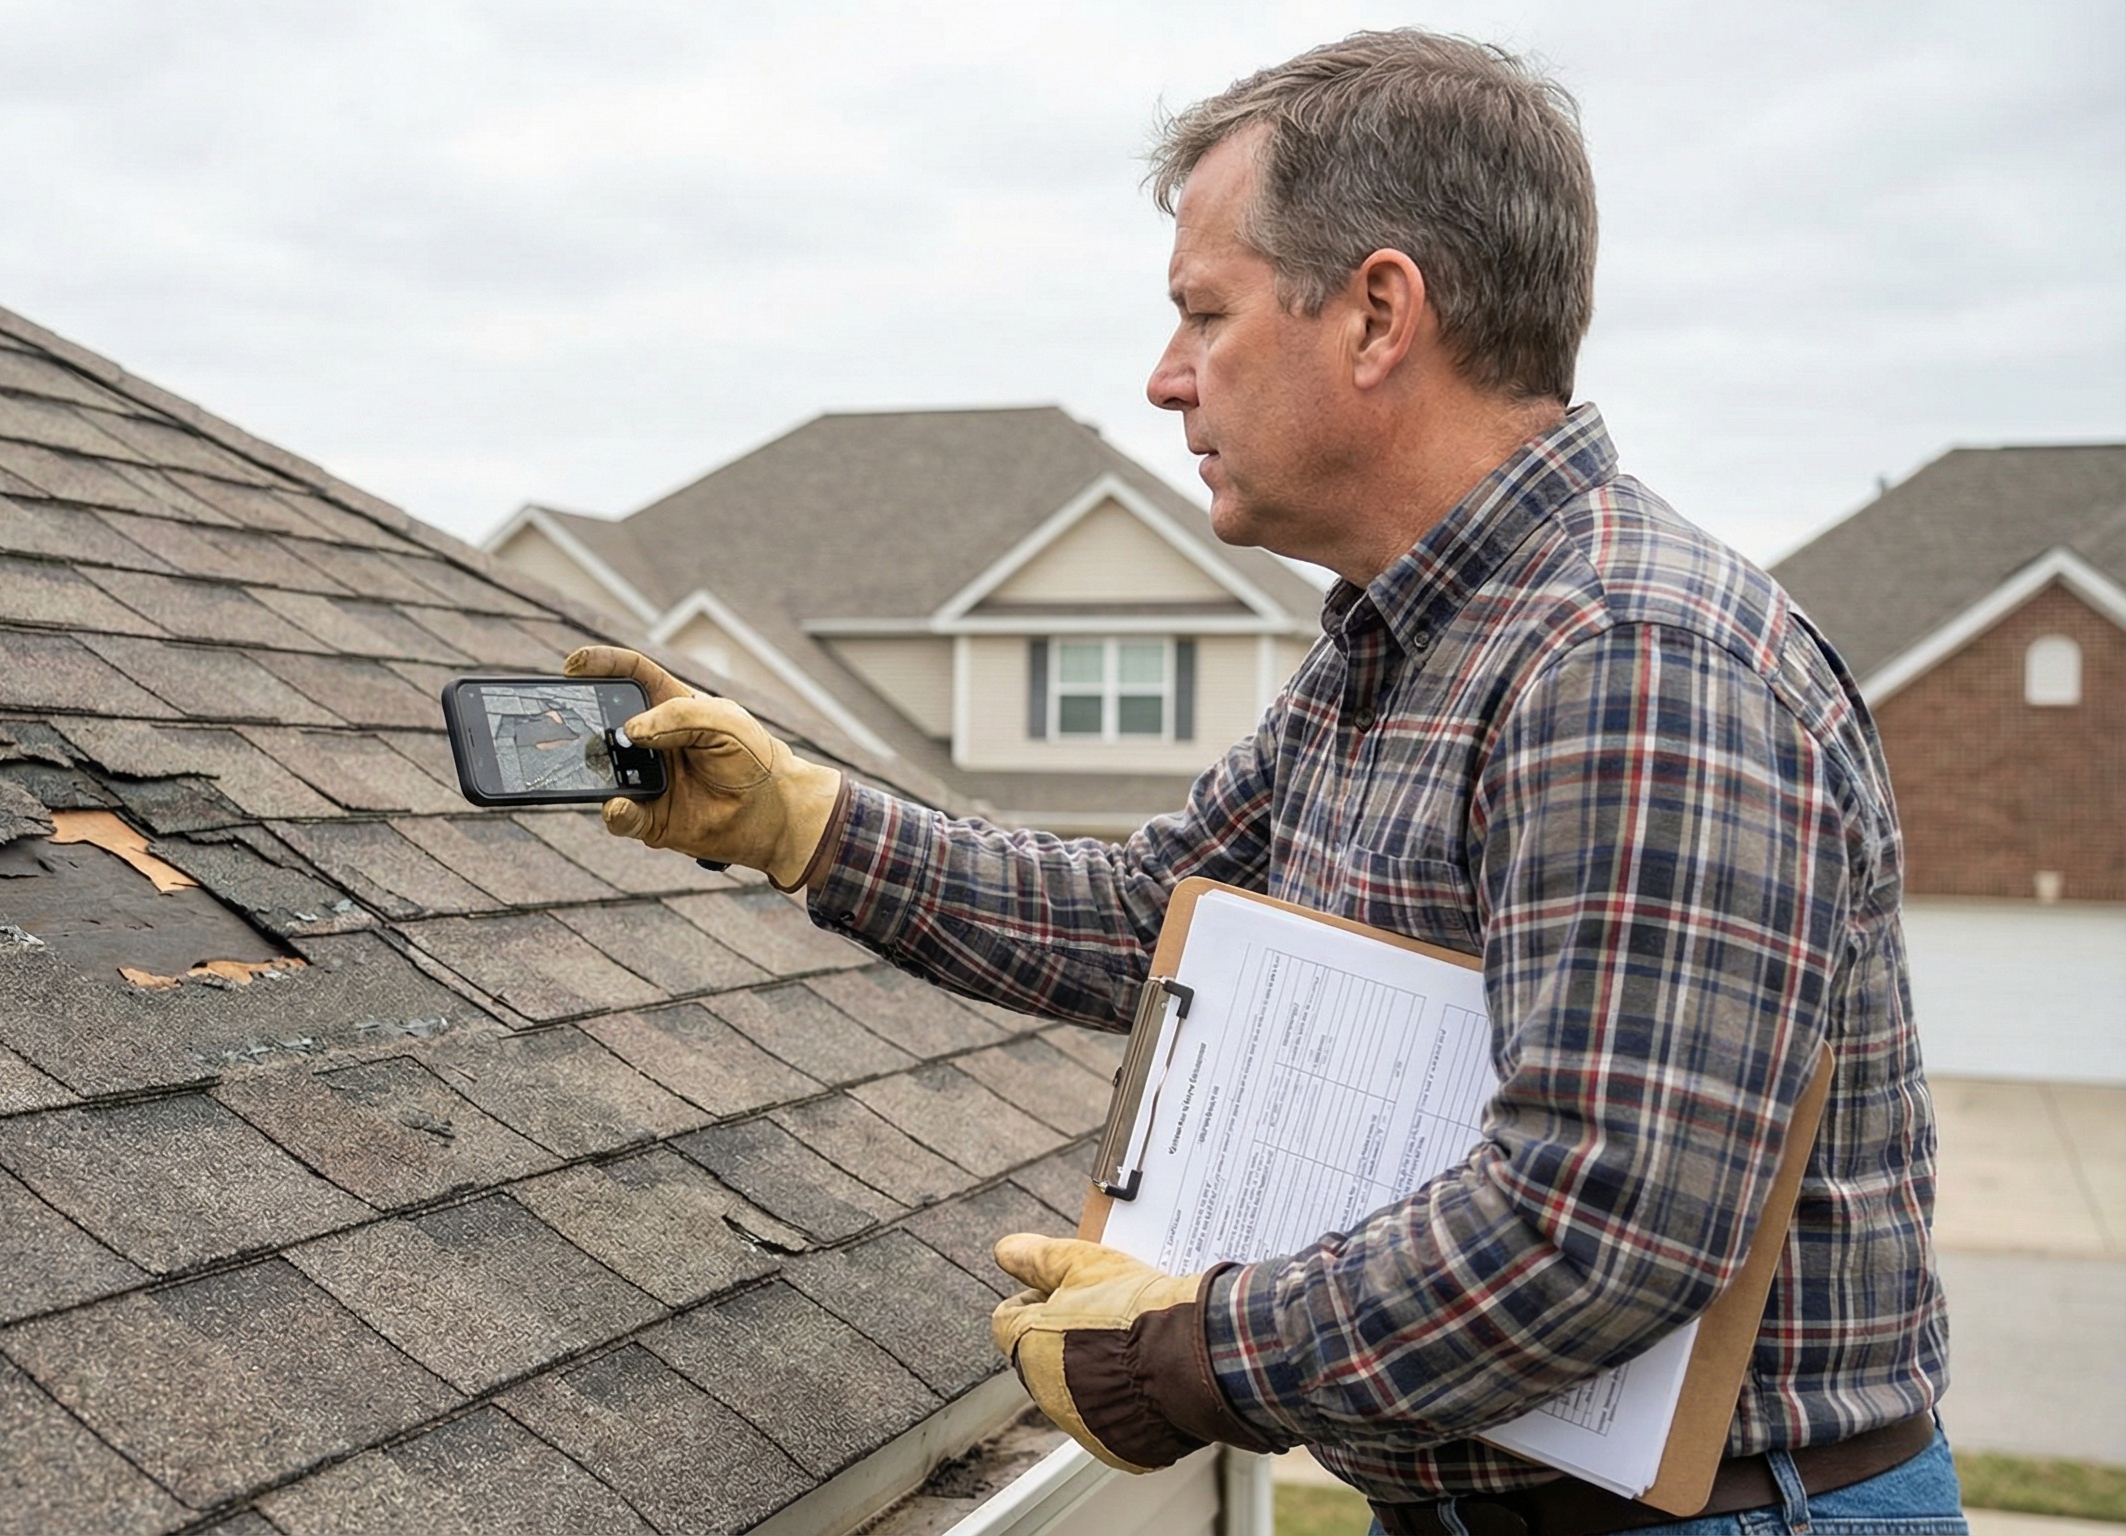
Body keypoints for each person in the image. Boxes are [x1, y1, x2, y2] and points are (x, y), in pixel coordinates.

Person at [564, 29, 1956, 1536]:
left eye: (1204, 315)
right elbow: (1149, 922)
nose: (1167, 380)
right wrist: (807, 821)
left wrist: (1183, 1358)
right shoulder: (1403, 643)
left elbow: (1599, 1225)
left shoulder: (1630, 661)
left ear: (1376, 314)